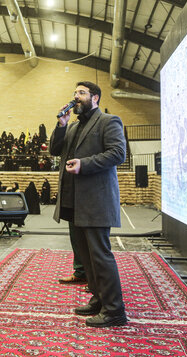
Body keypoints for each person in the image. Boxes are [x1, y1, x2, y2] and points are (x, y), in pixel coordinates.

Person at [50, 81, 127, 327]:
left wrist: (85, 164)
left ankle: (114, 311)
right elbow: (54, 150)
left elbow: (118, 153)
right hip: (74, 202)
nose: (76, 96)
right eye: (74, 93)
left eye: (81, 93)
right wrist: (60, 126)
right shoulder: (72, 127)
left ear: (94, 97)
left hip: (96, 201)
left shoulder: (108, 121)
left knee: (100, 256)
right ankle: (98, 299)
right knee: (86, 256)